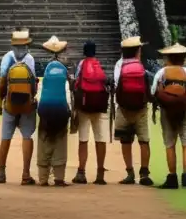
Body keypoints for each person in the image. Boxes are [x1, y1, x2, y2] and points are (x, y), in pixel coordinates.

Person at [151, 42, 186, 189]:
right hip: (184, 109)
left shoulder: (162, 73)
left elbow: (154, 91)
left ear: (169, 58)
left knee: (169, 143)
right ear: (183, 58)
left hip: (166, 110)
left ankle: (172, 177)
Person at [0, 29, 38, 185]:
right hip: (26, 105)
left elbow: (1, 83)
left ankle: (1, 172)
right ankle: (25, 174)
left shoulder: (7, 57)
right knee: (27, 136)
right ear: (26, 44)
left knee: (6, 137)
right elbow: (33, 83)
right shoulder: (30, 59)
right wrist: (31, 98)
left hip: (10, 104)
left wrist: (1, 102)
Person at [112, 35, 153, 186]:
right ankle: (144, 173)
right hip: (141, 109)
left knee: (125, 141)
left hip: (123, 109)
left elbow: (117, 85)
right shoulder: (140, 65)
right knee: (144, 141)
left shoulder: (119, 65)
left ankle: (130, 173)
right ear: (137, 51)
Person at [35, 36, 72, 186]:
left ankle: (43, 178)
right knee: (60, 141)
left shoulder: (46, 70)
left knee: (44, 140)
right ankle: (58, 178)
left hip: (45, 109)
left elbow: (39, 94)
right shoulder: (64, 71)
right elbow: (68, 94)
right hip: (61, 109)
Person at [71, 40, 110, 185]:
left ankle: (81, 172)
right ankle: (100, 174)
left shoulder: (82, 64)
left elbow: (76, 82)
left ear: (84, 51)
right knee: (100, 139)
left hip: (84, 105)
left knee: (83, 139)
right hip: (99, 105)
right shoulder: (98, 64)